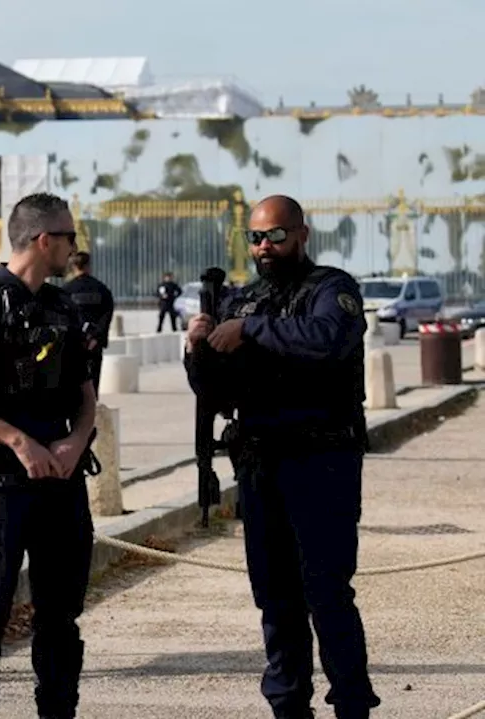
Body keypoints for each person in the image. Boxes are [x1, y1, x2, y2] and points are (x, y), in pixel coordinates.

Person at [184, 194, 379, 719]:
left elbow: (326, 341)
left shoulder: (331, 290)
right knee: (275, 599)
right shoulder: (240, 300)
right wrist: (198, 350)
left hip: (322, 465)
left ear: (302, 235)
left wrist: (250, 331)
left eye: (276, 235)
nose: (265, 247)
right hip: (261, 466)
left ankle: (352, 706)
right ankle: (289, 707)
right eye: (256, 237)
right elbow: (217, 393)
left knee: (327, 594)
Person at [0, 192, 98, 719]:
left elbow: (85, 393)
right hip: (2, 485)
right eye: (70, 236)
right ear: (44, 240)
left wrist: (76, 441)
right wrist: (17, 440)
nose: (76, 247)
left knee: (60, 614)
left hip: (59, 484)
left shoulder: (61, 305)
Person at [62, 251, 115, 394]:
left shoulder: (66, 290)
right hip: (94, 344)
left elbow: (63, 317)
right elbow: (107, 315)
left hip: (74, 343)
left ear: (73, 266)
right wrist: (97, 337)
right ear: (88, 266)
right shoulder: (101, 289)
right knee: (93, 381)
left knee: (72, 382)